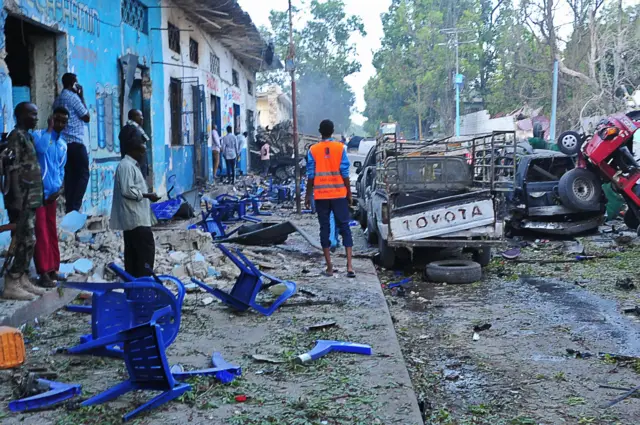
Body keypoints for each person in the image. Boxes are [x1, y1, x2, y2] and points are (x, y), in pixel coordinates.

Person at [1, 103, 47, 300]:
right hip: (22, 199)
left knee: (29, 240)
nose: (36, 118)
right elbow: (11, 171)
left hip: (32, 198)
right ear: (21, 116)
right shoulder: (15, 137)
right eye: (32, 114)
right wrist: (17, 201)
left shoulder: (27, 136)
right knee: (25, 239)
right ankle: (12, 281)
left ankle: (23, 278)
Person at [305, 119, 355, 278]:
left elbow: (311, 175)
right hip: (339, 194)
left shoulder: (313, 150)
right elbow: (345, 173)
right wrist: (349, 193)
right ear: (332, 131)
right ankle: (350, 267)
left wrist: (308, 195)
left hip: (321, 196)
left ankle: (329, 267)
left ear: (320, 132)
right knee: (345, 227)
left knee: (324, 229)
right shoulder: (340, 148)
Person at [110, 140, 160, 278]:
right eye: (142, 151)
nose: (143, 154)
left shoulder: (132, 166)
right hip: (135, 219)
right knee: (145, 254)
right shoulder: (126, 166)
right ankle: (141, 284)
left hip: (137, 218)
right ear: (132, 150)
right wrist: (147, 195)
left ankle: (135, 287)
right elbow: (127, 190)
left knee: (135, 256)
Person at [32, 107, 69, 288]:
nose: (60, 124)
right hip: (38, 194)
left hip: (52, 195)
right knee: (41, 233)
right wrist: (49, 129)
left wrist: (58, 188)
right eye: (58, 120)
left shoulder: (63, 144)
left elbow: (61, 168)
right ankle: (44, 272)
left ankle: (54, 267)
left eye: (64, 121)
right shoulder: (39, 135)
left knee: (51, 231)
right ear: (51, 118)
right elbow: (40, 149)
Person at [53, 73, 90, 213]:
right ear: (73, 84)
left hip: (63, 144)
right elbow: (86, 117)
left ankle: (70, 206)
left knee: (69, 176)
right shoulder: (74, 98)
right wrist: (81, 96)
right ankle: (75, 206)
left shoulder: (58, 100)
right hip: (76, 142)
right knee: (83, 174)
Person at [119, 109, 150, 177]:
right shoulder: (130, 129)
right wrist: (141, 146)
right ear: (133, 117)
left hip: (137, 167)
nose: (142, 118)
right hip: (135, 167)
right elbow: (132, 145)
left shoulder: (136, 128)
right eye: (139, 116)